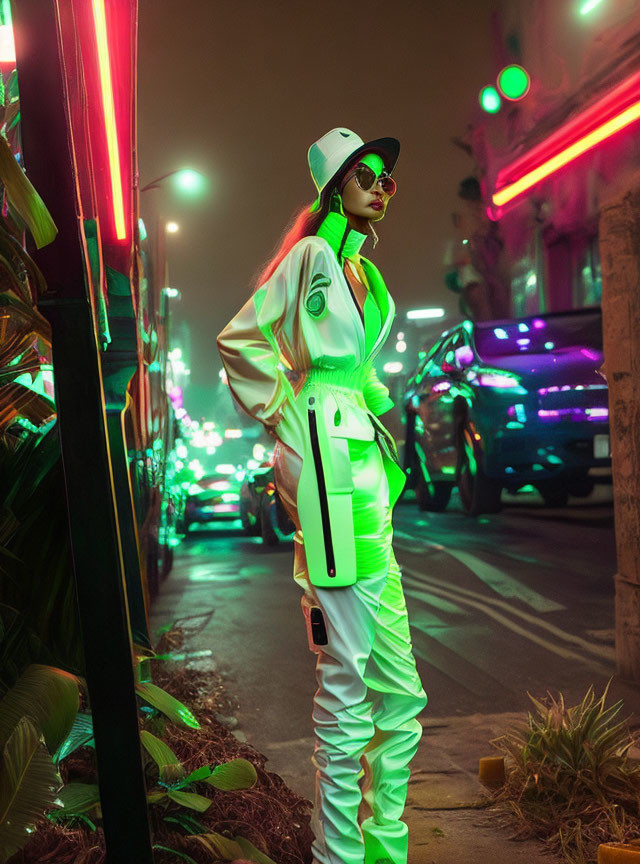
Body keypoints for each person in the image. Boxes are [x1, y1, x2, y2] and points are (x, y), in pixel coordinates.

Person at [217, 127, 427, 864]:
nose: (379, 184)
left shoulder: (367, 276)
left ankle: (383, 849)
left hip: (365, 470)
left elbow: (362, 371)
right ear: (332, 187)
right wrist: (291, 417)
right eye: (364, 173)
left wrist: (378, 424)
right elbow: (242, 337)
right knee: (344, 683)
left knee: (401, 697)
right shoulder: (310, 258)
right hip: (326, 463)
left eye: (387, 178)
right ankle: (339, 856)